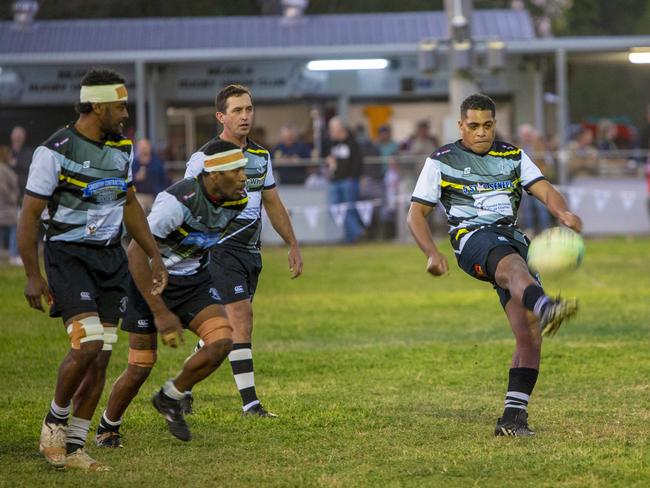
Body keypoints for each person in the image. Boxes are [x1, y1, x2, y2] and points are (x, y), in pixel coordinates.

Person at [17, 68, 167, 470]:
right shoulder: (56, 150)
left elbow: (129, 202)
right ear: (97, 106)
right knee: (85, 345)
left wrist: (152, 252)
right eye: (119, 106)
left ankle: (76, 446)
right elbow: (29, 216)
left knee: (100, 354)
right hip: (68, 256)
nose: (124, 113)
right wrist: (33, 274)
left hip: (110, 258)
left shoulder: (122, 147)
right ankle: (54, 424)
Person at [407, 93, 582, 437]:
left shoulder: (512, 156)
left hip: (510, 236)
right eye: (473, 126)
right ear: (461, 125)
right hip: (472, 239)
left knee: (528, 332)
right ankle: (546, 303)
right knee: (513, 266)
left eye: (487, 125)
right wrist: (431, 252)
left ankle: (512, 419)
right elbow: (416, 214)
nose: (481, 132)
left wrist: (562, 212)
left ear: (494, 124)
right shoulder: (442, 159)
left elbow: (545, 190)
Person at [95, 140, 248, 446]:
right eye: (237, 170)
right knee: (140, 366)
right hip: (149, 280)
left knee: (221, 343)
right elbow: (136, 252)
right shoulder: (175, 203)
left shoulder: (236, 200)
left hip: (193, 281)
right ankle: (107, 427)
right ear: (214, 175)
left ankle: (170, 396)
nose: (244, 177)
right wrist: (161, 312)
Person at [185, 84, 303, 417]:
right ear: (221, 116)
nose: (245, 116)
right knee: (241, 319)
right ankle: (251, 403)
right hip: (218, 249)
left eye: (249, 109)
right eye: (237, 110)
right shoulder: (204, 158)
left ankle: (180, 386)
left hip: (250, 250)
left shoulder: (260, 157)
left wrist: (292, 243)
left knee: (222, 328)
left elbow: (272, 202)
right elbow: (186, 203)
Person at [325, 116, 364, 243]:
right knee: (335, 209)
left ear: (340, 129)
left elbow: (358, 163)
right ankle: (357, 232)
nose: (330, 131)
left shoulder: (353, 143)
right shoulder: (333, 144)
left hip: (349, 181)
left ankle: (351, 237)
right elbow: (331, 163)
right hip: (335, 181)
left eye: (332, 129)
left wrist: (351, 177)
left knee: (348, 210)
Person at [8, 126, 34, 266]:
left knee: (20, 223)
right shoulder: (7, 152)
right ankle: (12, 252)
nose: (18, 137)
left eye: (20, 135)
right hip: (7, 196)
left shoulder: (28, 153)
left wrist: (15, 164)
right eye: (15, 135)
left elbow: (29, 168)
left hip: (23, 193)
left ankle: (17, 253)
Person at [132, 138, 169, 214]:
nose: (144, 150)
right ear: (138, 149)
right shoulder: (133, 164)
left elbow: (165, 180)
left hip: (155, 195)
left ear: (150, 148)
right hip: (139, 195)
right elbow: (127, 182)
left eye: (145, 147)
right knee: (139, 207)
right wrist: (136, 178)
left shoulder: (157, 163)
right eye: (141, 148)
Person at [0, 146, 20, 263]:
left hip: (6, 206)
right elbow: (2, 187)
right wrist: (13, 199)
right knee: (16, 226)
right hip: (5, 206)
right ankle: (14, 255)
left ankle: (8, 256)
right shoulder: (2, 169)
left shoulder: (5, 169)